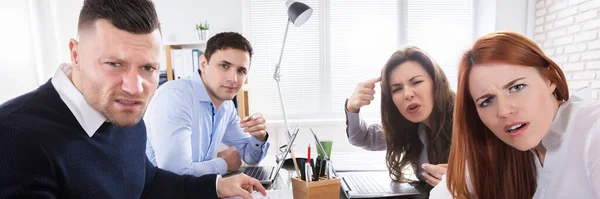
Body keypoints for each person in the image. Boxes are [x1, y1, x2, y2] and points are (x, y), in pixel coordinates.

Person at [0, 0, 265, 198]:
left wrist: (216, 186)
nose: (135, 87)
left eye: (148, 68)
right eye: (114, 63)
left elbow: (146, 181)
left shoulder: (126, 114)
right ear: (76, 54)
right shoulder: (13, 137)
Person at [431, 31, 600, 198]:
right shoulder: (499, 149)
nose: (504, 111)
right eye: (487, 101)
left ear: (550, 79)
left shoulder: (592, 129)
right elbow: (445, 193)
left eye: (517, 87)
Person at [144, 32, 270, 177]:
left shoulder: (226, 106)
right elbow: (175, 174)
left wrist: (259, 137)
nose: (233, 79)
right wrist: (224, 164)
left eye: (241, 70)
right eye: (224, 66)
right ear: (204, 64)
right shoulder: (176, 96)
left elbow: (250, 157)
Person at [344, 46, 455, 188]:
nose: (407, 94)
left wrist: (463, 186)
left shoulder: (467, 121)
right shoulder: (412, 126)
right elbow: (361, 138)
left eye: (416, 82)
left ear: (436, 82)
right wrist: (352, 108)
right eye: (397, 89)